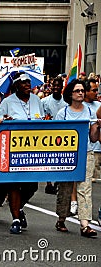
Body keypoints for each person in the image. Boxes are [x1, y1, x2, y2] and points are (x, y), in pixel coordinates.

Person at [0, 72, 44, 234]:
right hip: (14, 149)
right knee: (14, 183)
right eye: (23, 83)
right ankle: (15, 218)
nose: (27, 85)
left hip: (34, 150)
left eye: (29, 82)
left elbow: (42, 120)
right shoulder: (7, 102)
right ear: (16, 85)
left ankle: (18, 207)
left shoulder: (37, 100)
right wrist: (4, 120)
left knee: (32, 186)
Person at [55, 79, 100, 237]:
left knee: (85, 188)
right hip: (67, 155)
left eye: (82, 90)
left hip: (86, 152)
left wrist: (96, 127)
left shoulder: (90, 112)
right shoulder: (63, 113)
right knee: (66, 187)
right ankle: (61, 218)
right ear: (70, 94)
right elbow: (56, 138)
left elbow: (93, 138)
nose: (81, 93)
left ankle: (85, 224)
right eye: (77, 90)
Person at [41, 77, 67, 195]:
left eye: (58, 85)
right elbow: (40, 117)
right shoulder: (44, 101)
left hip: (62, 134)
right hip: (47, 134)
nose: (56, 88)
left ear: (62, 87)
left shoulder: (66, 102)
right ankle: (49, 183)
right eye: (54, 85)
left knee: (59, 158)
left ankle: (57, 180)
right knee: (47, 159)